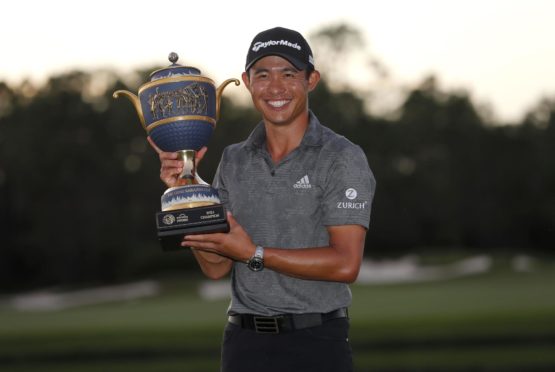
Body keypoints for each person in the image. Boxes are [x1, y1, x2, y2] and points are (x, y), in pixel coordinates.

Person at [149, 26, 376, 372]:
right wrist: (189, 195)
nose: (275, 87)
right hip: (244, 345)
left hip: (316, 343)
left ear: (311, 79)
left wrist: (254, 255)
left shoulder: (340, 157)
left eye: (289, 73)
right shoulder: (234, 159)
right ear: (247, 81)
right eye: (263, 74)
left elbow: (346, 264)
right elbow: (216, 267)